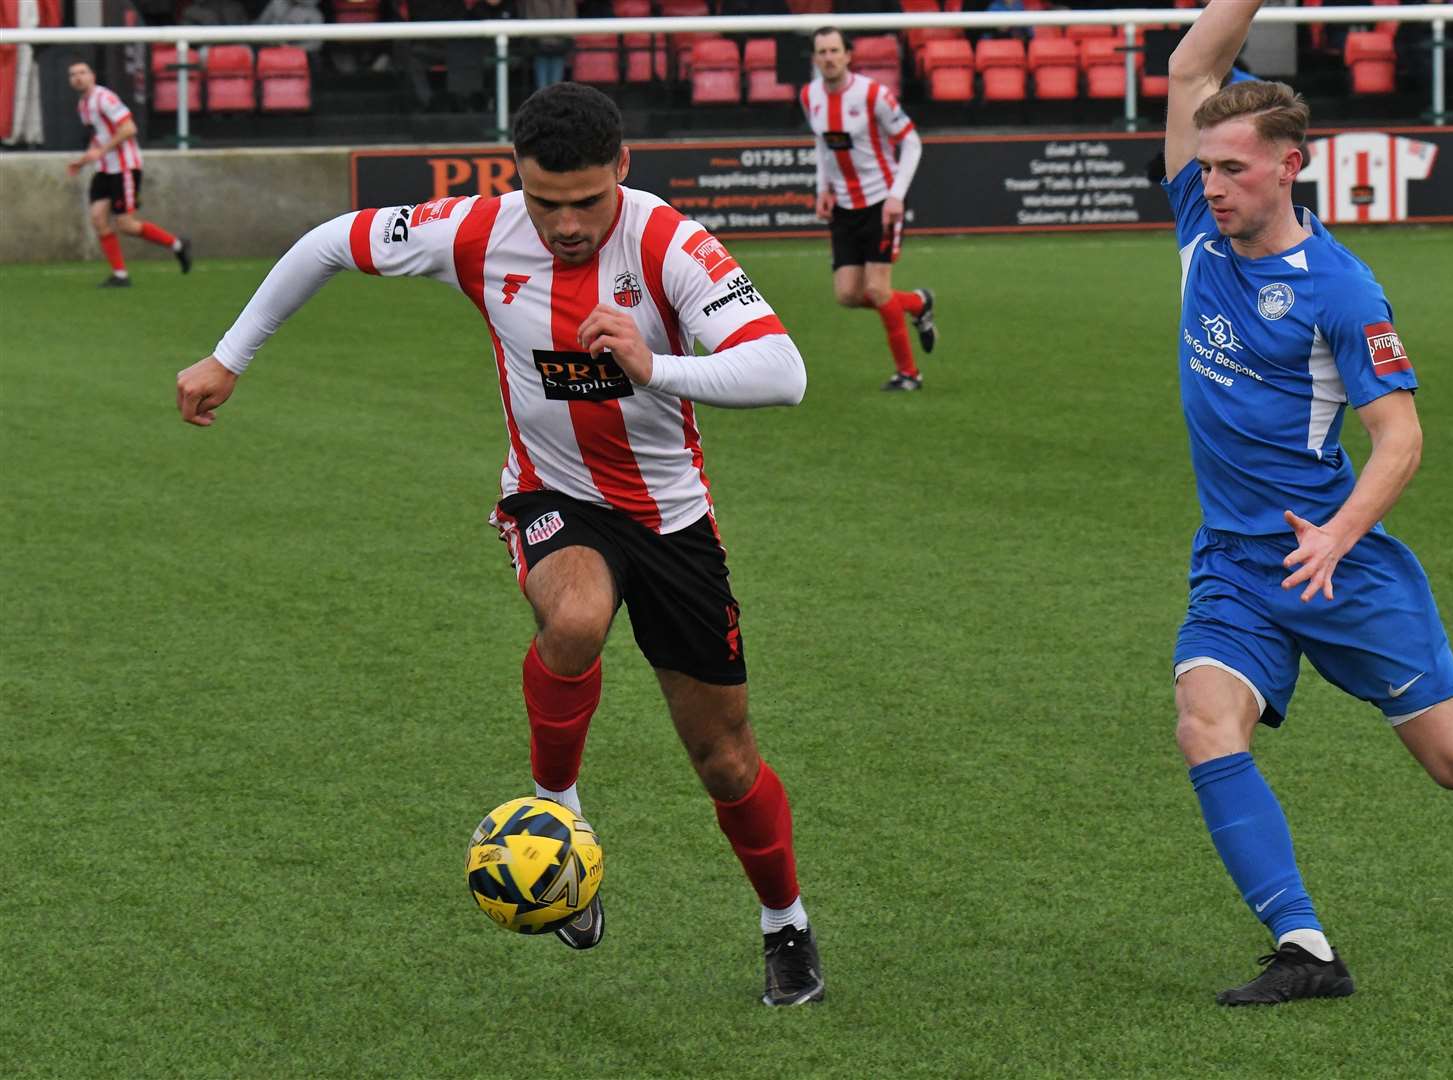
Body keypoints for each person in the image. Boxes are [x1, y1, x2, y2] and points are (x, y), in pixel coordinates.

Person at [173, 83, 825, 1008]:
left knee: (723, 757)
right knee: (575, 615)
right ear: (515, 177)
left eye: (586, 201)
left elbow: (783, 372)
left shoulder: (668, 243)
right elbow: (328, 242)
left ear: (623, 172)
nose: (564, 223)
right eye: (543, 199)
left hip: (672, 521)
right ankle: (556, 811)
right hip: (550, 491)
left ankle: (784, 923)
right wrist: (229, 357)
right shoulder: (476, 233)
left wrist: (654, 364)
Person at [1160, 0, 1453, 1006]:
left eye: (1233, 169)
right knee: (1202, 721)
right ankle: (1305, 948)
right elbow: (1192, 66)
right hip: (1235, 561)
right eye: (1208, 167)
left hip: (1340, 561)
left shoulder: (1343, 291)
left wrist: (1338, 539)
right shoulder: (1199, 229)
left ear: (1287, 166)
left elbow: (1399, 440)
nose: (1209, 183)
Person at [803, 27, 938, 392]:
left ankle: (909, 374)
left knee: (878, 290)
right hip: (844, 207)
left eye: (834, 50)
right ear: (815, 58)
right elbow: (821, 145)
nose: (828, 57)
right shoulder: (810, 95)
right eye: (822, 52)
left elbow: (911, 142)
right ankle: (917, 304)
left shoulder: (873, 94)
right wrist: (824, 189)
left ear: (848, 55)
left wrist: (897, 195)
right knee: (847, 294)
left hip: (881, 203)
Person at [66, 59, 192, 288]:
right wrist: (83, 161)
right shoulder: (83, 106)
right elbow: (99, 138)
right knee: (97, 218)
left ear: (92, 75)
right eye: (73, 74)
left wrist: (101, 151)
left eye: (82, 72)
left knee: (125, 224)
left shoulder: (106, 98)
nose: (78, 77)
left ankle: (177, 244)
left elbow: (129, 128)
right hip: (105, 168)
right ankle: (120, 275)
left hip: (124, 167)